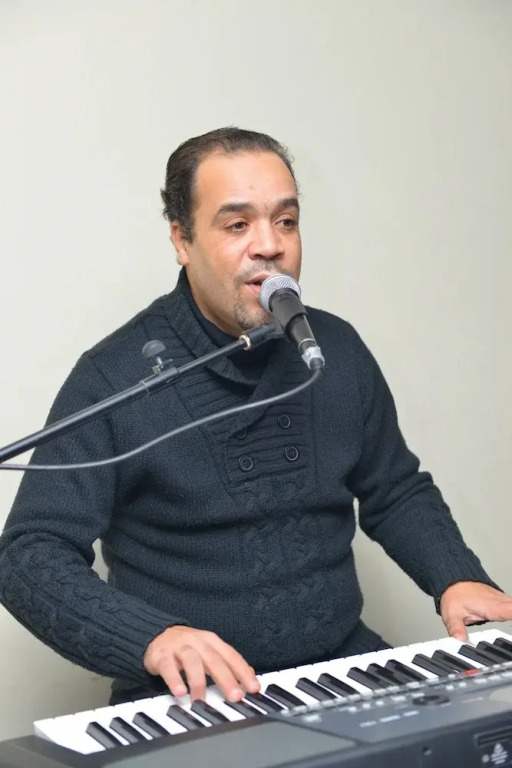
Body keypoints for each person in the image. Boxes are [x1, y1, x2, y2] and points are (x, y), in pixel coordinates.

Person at [0, 127, 511, 709]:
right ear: (182, 239)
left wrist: (455, 575)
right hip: (190, 698)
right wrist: (151, 639)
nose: (269, 245)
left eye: (285, 221)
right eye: (237, 224)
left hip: (341, 669)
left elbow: (394, 488)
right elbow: (29, 553)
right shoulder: (113, 376)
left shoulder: (335, 349)